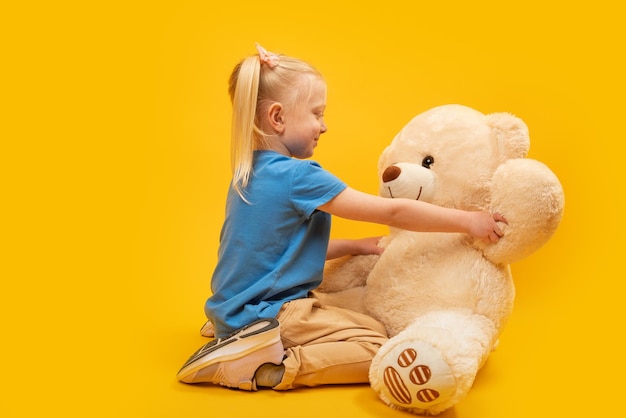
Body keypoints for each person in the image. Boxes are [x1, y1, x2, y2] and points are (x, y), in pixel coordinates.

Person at [176, 44, 506, 391]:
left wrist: (354, 245)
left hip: (235, 309)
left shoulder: (250, 175)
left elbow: (274, 253)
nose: (324, 126)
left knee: (357, 321)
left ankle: (237, 336)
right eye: (317, 114)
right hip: (272, 313)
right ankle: (274, 366)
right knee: (380, 344)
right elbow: (392, 210)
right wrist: (467, 221)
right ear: (277, 117)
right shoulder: (298, 177)